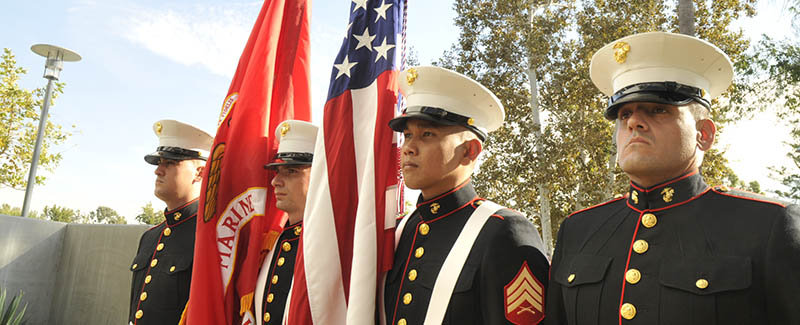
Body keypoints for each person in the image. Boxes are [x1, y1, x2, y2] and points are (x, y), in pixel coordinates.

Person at [545, 32, 800, 324]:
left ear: (703, 134)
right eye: (624, 113)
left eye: (658, 110)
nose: (633, 122)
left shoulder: (768, 226)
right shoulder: (578, 230)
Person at [383, 66, 550, 325]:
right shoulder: (402, 229)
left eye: (427, 134)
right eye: (407, 135)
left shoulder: (503, 232)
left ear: (469, 151)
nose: (409, 148)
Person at [129, 119, 212, 325]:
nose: (158, 170)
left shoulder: (210, 237)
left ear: (200, 173)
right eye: (159, 162)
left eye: (171, 162)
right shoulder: (150, 237)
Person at [253, 120, 318, 325]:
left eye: (291, 172)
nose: (275, 181)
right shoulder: (273, 242)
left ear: (319, 175)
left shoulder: (332, 244)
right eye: (277, 172)